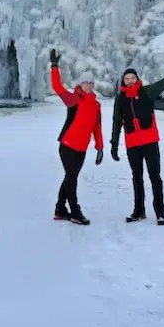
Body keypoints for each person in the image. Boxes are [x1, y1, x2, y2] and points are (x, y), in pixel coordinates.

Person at [110, 44, 164, 225]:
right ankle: (139, 211)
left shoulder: (147, 92)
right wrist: (114, 143)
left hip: (150, 142)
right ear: (123, 81)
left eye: (132, 77)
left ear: (137, 78)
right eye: (127, 78)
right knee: (136, 178)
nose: (129, 80)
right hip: (132, 144)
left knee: (155, 177)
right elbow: (116, 122)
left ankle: (160, 212)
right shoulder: (120, 99)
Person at [49, 48, 104, 225]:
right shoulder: (74, 100)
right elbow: (57, 88)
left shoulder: (96, 105)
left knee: (70, 177)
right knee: (72, 178)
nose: (88, 86)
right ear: (80, 85)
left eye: (91, 83)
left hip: (82, 148)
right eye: (85, 83)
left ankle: (60, 209)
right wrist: (55, 67)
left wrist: (100, 147)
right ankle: (74, 212)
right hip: (67, 146)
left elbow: (97, 128)